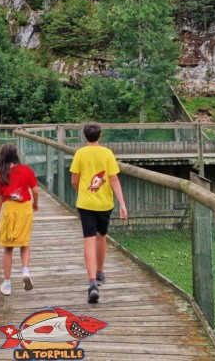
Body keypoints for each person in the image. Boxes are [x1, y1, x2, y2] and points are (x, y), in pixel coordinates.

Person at [70, 123, 128, 304]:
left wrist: (82, 192)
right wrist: (122, 204)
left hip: (86, 203)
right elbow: (113, 179)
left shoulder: (80, 153)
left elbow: (74, 179)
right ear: (100, 135)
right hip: (105, 203)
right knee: (101, 236)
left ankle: (92, 282)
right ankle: (100, 272)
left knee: (88, 239)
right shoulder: (107, 153)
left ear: (85, 136)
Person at [0, 144, 39, 296]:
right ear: (16, 155)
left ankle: (7, 284)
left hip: (9, 210)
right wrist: (35, 203)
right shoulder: (26, 170)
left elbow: (0, 198)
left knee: (8, 248)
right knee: (24, 243)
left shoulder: (1, 174)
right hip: (25, 208)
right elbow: (35, 190)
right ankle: (25, 270)